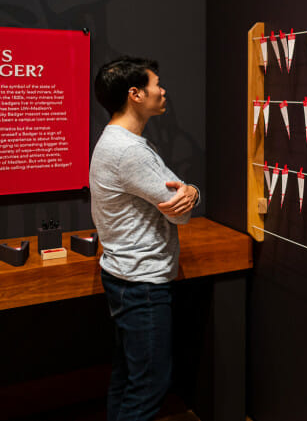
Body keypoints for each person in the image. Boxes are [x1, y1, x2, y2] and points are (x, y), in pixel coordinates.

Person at [89, 57, 200, 421]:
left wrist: (191, 190)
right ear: (135, 94)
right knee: (149, 384)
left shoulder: (120, 141)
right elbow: (180, 211)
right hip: (142, 282)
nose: (163, 90)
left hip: (124, 276)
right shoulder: (130, 151)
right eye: (156, 83)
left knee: (129, 376)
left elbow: (180, 192)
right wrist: (190, 194)